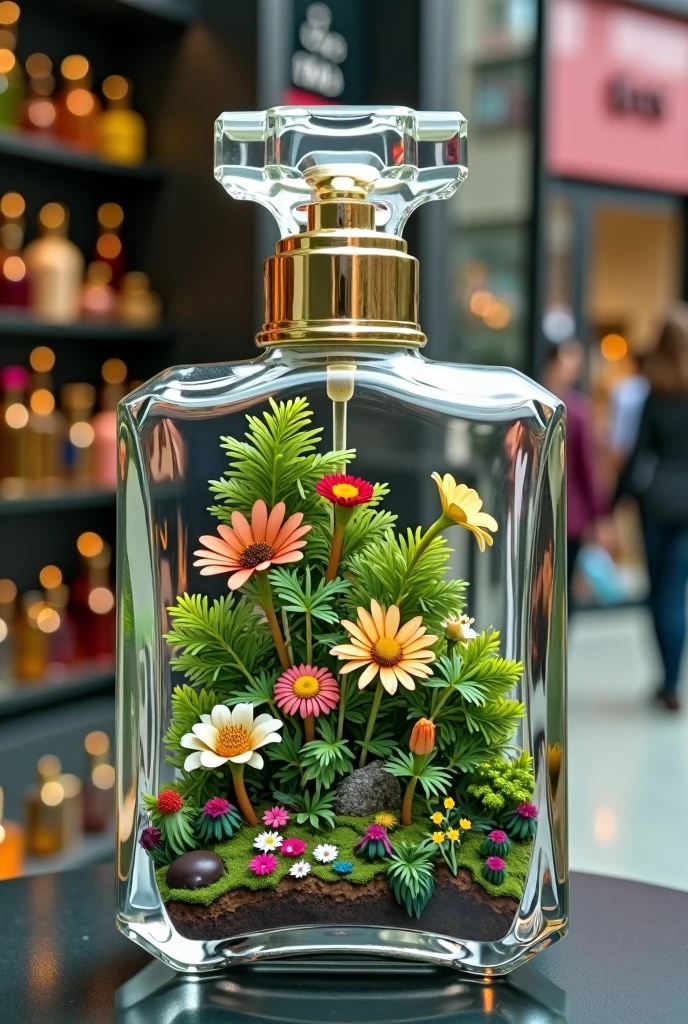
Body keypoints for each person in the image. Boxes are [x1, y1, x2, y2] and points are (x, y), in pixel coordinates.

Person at [621, 305, 688, 711]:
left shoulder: (652, 394)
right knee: (674, 593)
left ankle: (666, 682)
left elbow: (636, 455)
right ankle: (672, 683)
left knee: (658, 594)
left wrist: (610, 505)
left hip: (657, 504)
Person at [542, 339, 605, 601]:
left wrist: (598, 514)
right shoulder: (573, 409)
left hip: (567, 513)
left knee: (553, 585)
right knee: (559, 587)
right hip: (560, 511)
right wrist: (599, 514)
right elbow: (588, 468)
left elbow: (587, 468)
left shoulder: (576, 410)